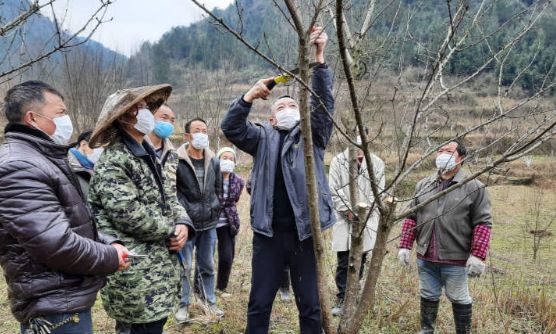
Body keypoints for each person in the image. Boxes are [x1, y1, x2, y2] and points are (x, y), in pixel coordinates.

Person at [221, 26, 334, 333]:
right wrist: (247, 98)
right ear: (270, 118)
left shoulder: (313, 136)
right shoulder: (261, 138)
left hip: (305, 235)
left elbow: (324, 106)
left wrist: (319, 57)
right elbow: (230, 128)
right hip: (268, 235)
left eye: (292, 106)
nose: (287, 110)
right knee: (259, 303)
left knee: (309, 305)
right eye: (280, 107)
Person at [0, 80, 128, 334]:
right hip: (53, 306)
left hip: (63, 297)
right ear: (32, 118)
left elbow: (71, 221)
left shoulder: (41, 157)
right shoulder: (19, 166)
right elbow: (55, 244)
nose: (67, 119)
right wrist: (109, 257)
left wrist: (107, 242)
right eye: (60, 113)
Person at [87, 84, 194, 334]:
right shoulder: (115, 160)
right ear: (125, 116)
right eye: (142, 108)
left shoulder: (147, 155)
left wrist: (182, 224)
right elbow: (129, 215)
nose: (148, 113)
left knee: (153, 326)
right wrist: (170, 230)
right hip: (136, 275)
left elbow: (169, 195)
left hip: (156, 273)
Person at [398, 140, 492, 334]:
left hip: (455, 258)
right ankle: (426, 330)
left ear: (461, 157)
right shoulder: (423, 185)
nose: (442, 154)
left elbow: (482, 223)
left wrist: (478, 255)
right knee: (428, 294)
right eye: (439, 150)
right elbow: (411, 217)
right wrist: (405, 245)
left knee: (459, 298)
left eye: (448, 151)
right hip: (426, 256)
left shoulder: (474, 187)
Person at [328, 137, 385, 316]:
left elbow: (379, 191)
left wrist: (364, 213)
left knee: (360, 259)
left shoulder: (376, 162)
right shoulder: (338, 161)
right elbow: (333, 190)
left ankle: (353, 295)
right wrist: (348, 211)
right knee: (344, 260)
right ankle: (342, 297)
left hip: (367, 217)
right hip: (344, 218)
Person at [174, 118, 223, 322]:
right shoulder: (176, 160)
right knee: (184, 266)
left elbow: (218, 189)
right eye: (197, 130)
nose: (202, 133)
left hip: (209, 223)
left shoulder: (214, 160)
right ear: (187, 136)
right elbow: (172, 192)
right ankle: (182, 305)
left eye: (204, 130)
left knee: (208, 265)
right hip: (186, 224)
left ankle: (208, 302)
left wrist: (215, 207)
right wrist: (181, 218)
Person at [214, 147, 245, 297]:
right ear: (218, 159)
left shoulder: (239, 181)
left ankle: (221, 287)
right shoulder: (211, 177)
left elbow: (235, 200)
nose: (227, 161)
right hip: (209, 221)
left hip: (228, 223)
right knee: (205, 257)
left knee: (227, 256)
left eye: (231, 159)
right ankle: (200, 287)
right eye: (224, 158)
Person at [68, 130, 104, 197]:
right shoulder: (69, 167)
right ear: (83, 144)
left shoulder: (92, 166)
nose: (101, 150)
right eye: (97, 146)